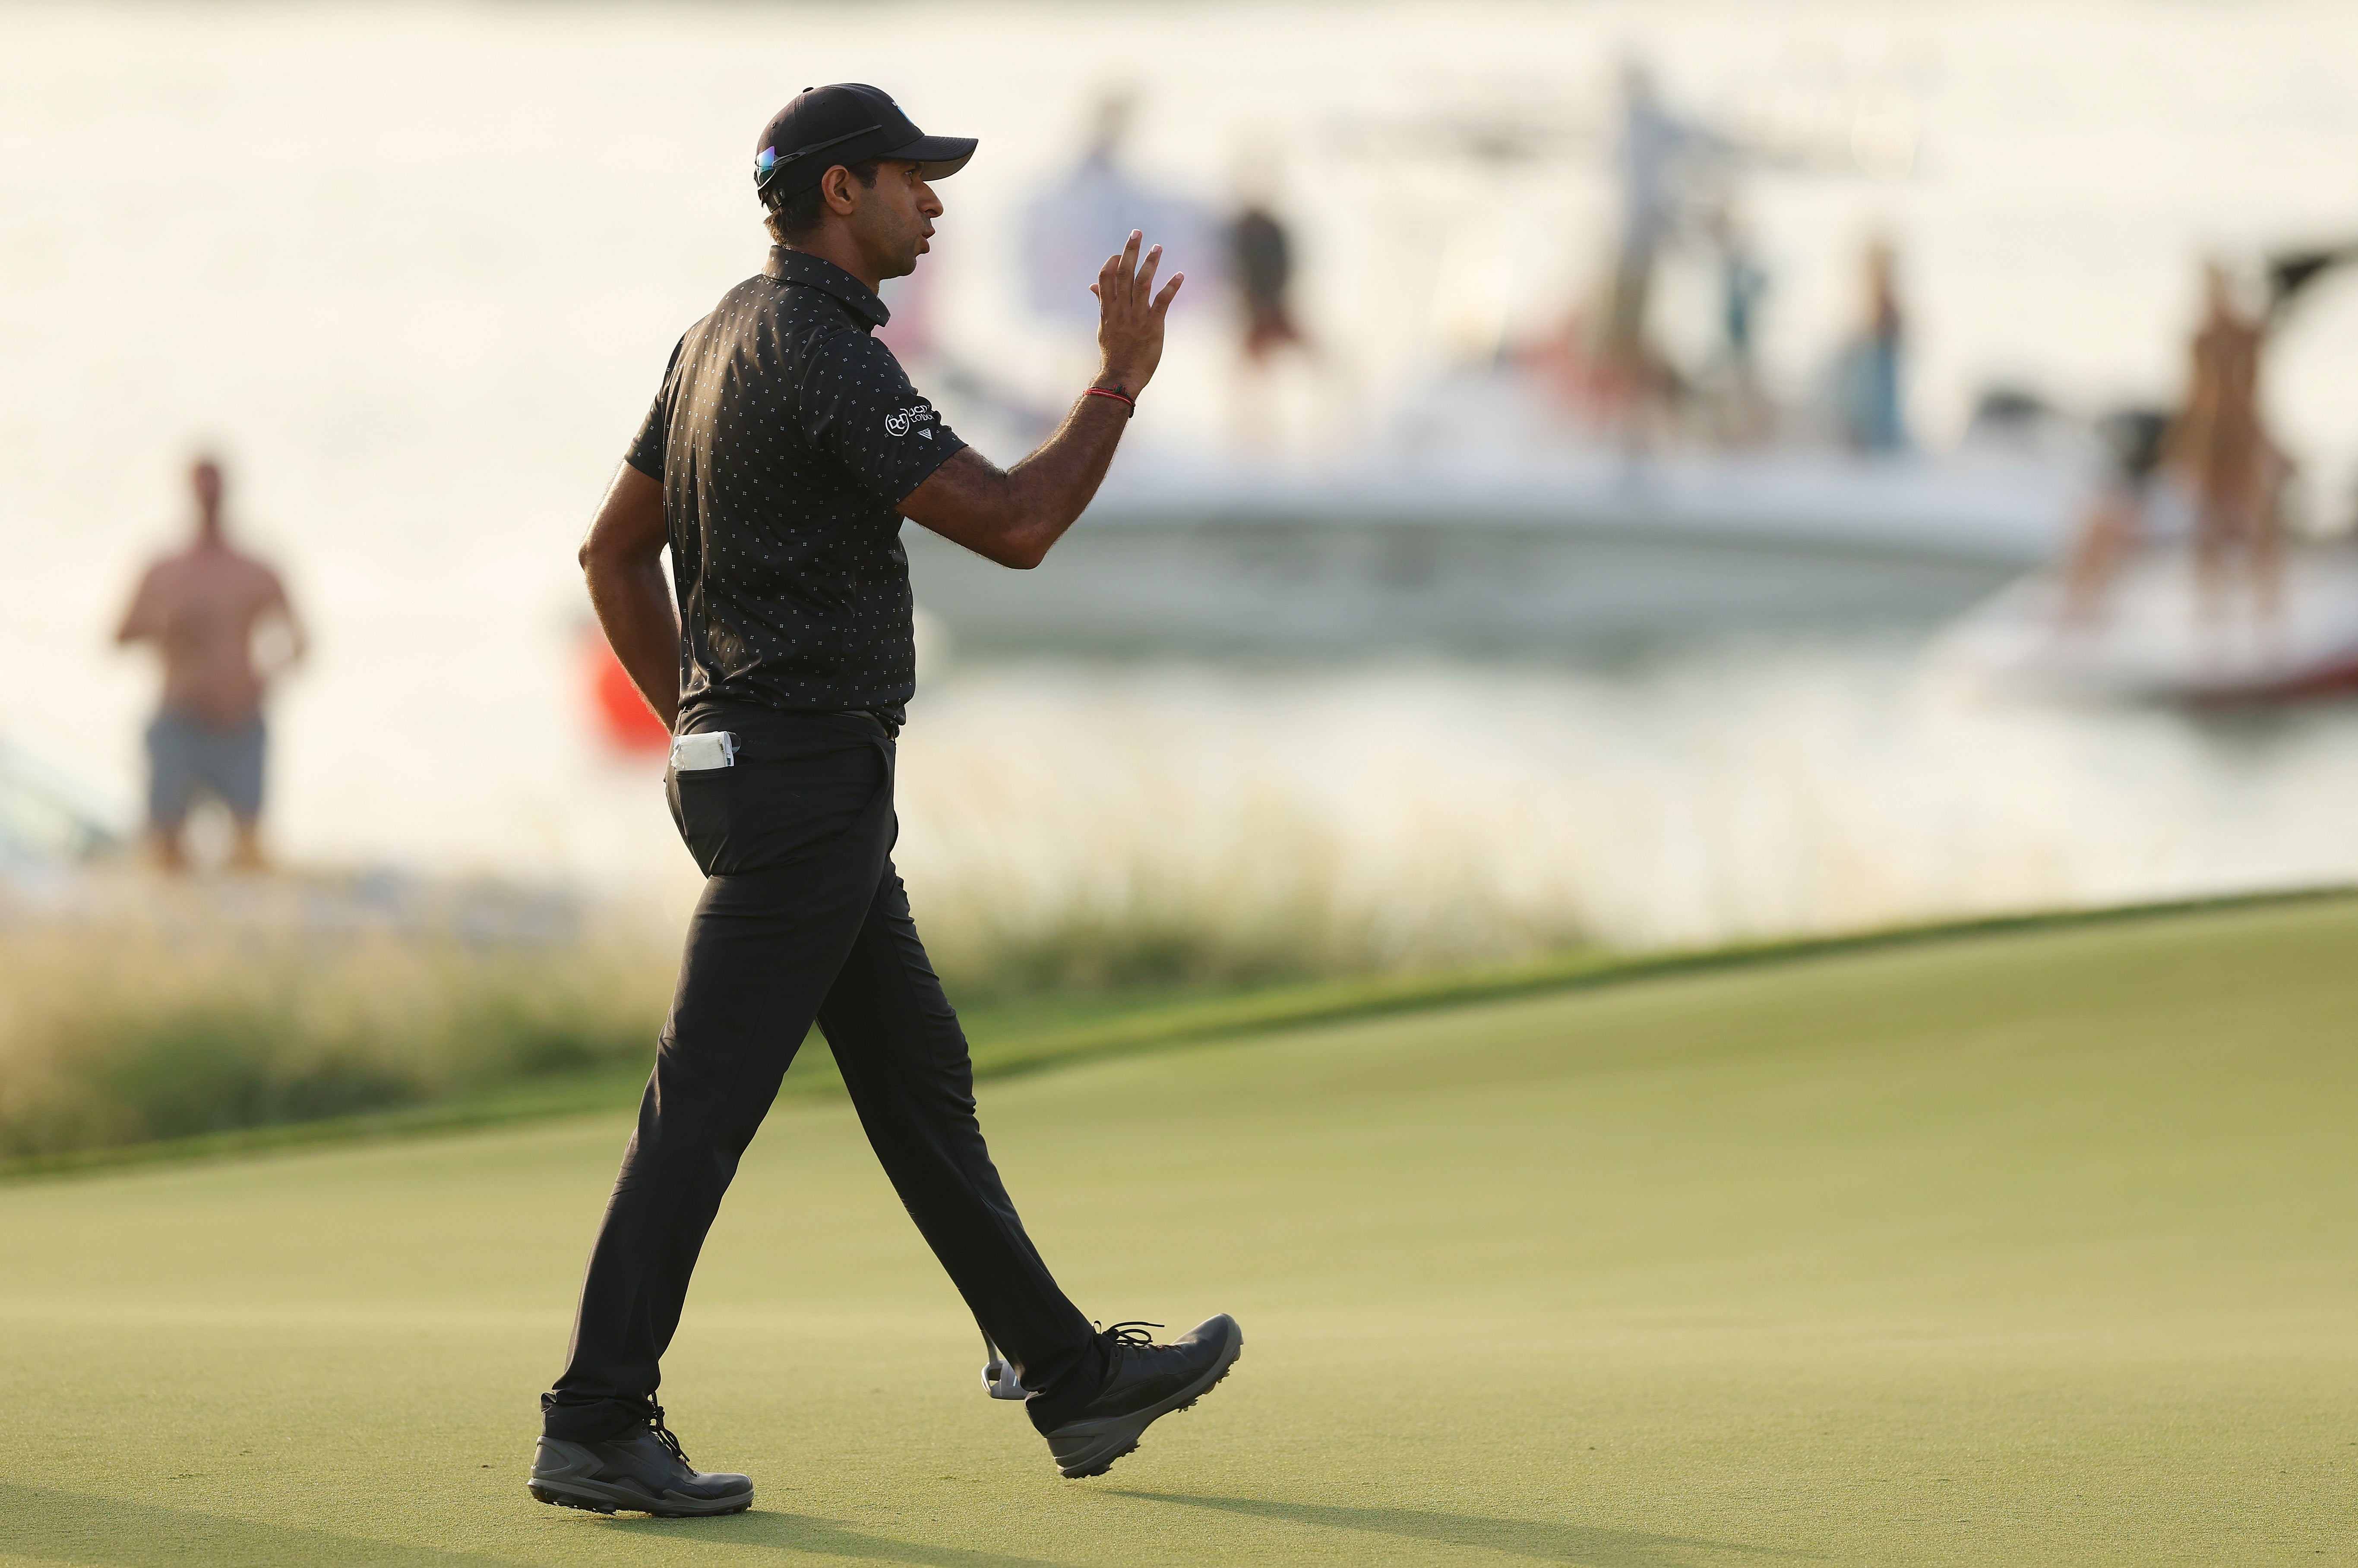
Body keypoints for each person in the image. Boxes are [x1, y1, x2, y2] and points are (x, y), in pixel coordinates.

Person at [531, 84, 1241, 1518]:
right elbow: (1017, 525)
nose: (935, 200)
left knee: (919, 1083)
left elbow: (612, 555)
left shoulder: (716, 335)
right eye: (913, 176)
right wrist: (1116, 384)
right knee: (701, 1107)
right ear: (840, 191)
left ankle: (1068, 1376)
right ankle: (594, 1421)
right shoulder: (824, 351)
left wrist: (698, 727)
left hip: (779, 779)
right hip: (802, 783)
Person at [113, 455, 306, 872]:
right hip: (179, 715)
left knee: (250, 845)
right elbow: (119, 636)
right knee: (164, 845)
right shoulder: (165, 570)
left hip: (240, 719)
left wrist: (263, 677)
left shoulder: (255, 569)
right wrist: (164, 625)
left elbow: (300, 643)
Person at [2166, 261, 2282, 619]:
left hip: (2238, 430)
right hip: (2210, 432)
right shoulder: (2200, 339)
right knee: (2208, 518)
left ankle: (2266, 598)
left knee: (2254, 514)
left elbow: (2255, 390)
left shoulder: (2244, 334)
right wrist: (2184, 446)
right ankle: (2212, 600)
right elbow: (2191, 392)